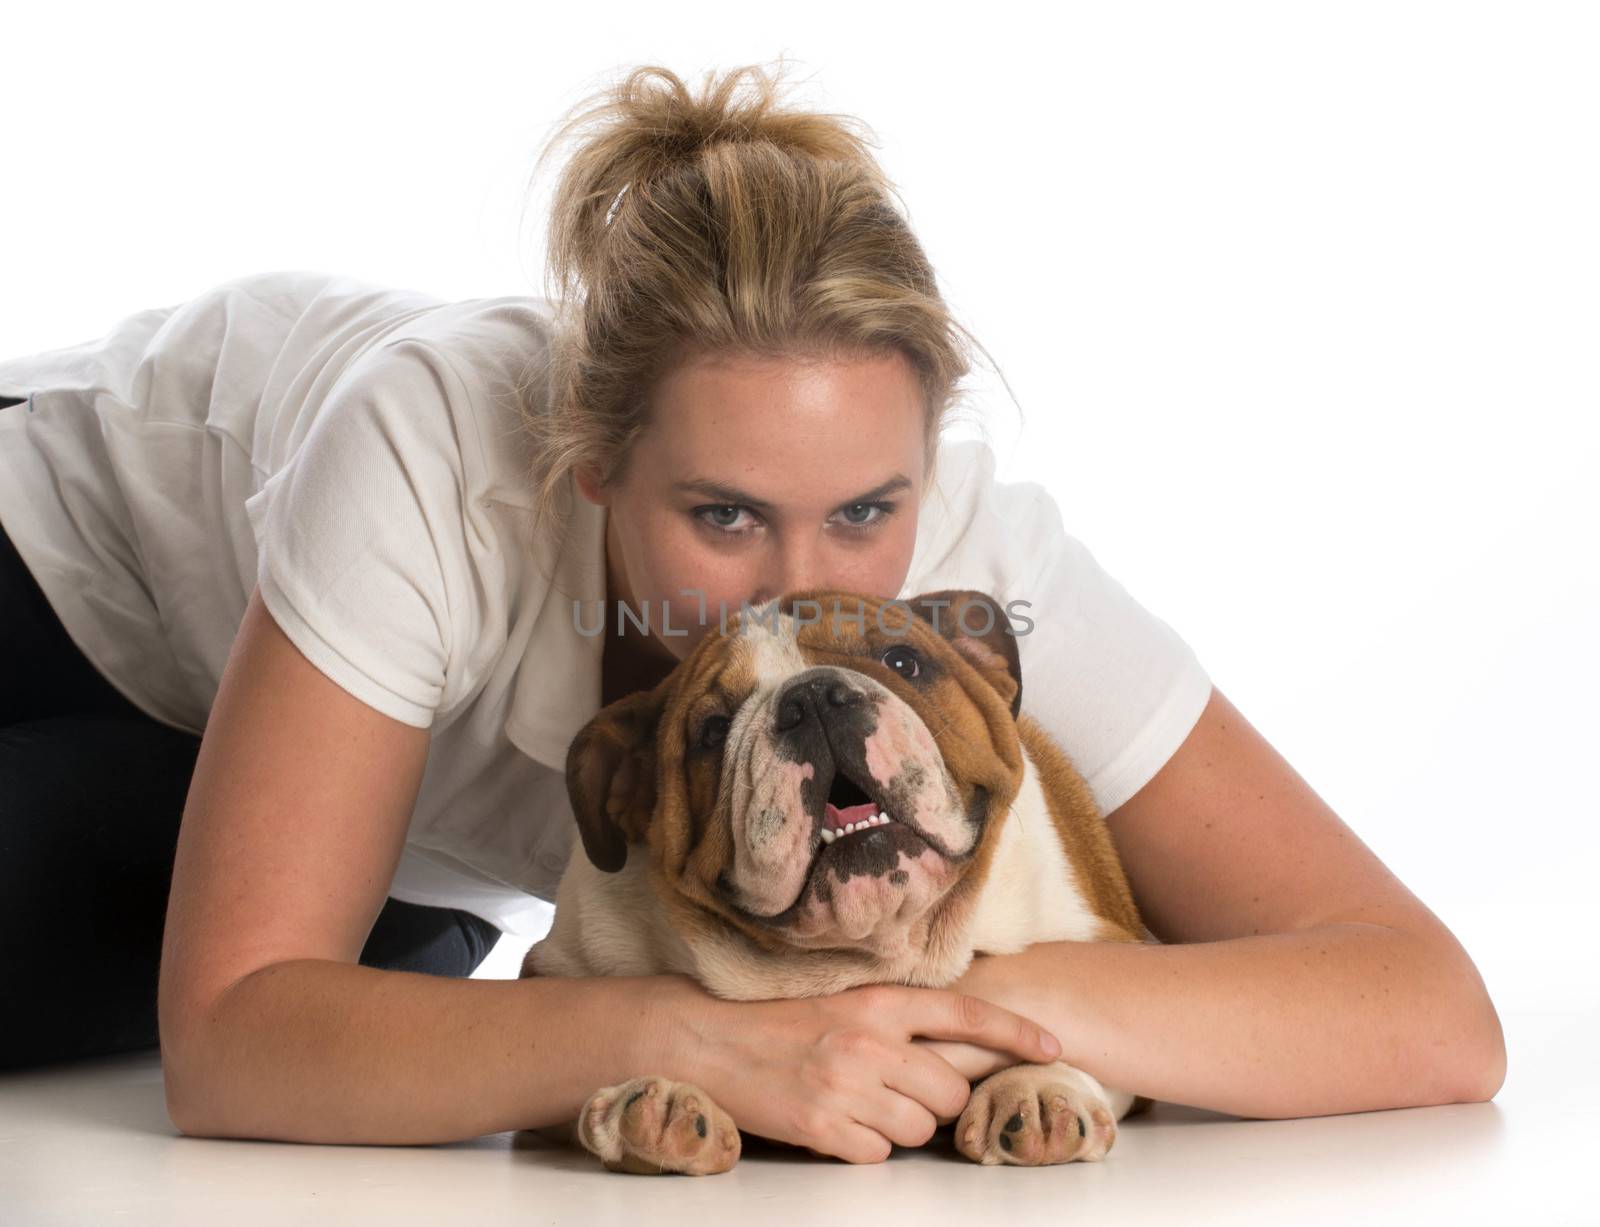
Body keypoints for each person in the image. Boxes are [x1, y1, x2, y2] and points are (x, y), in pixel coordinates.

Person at [0, 60, 1503, 1153]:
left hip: (313, 818)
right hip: (56, 568)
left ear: (926, 471)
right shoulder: (432, 448)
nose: (804, 591)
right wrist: (709, 1037)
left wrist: (1005, 1008)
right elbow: (235, 1040)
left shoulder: (981, 571)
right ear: (591, 466)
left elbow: (1427, 1009)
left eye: (866, 512)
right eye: (724, 515)